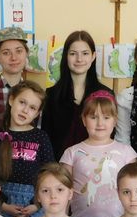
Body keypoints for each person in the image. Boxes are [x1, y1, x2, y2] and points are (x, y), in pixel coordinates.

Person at [0, 80, 53, 217]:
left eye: (32, 108)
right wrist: (2, 204)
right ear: (11, 100)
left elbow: (49, 174)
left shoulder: (41, 137)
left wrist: (37, 204)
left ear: (37, 113)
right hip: (1, 204)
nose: (25, 110)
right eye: (22, 102)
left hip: (34, 205)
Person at [41, 30, 113, 160]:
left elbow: (110, 136)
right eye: (73, 53)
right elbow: (46, 138)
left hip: (96, 165)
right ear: (65, 56)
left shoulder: (106, 94)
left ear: (93, 56)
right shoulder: (51, 94)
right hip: (59, 167)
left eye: (85, 53)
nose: (79, 59)